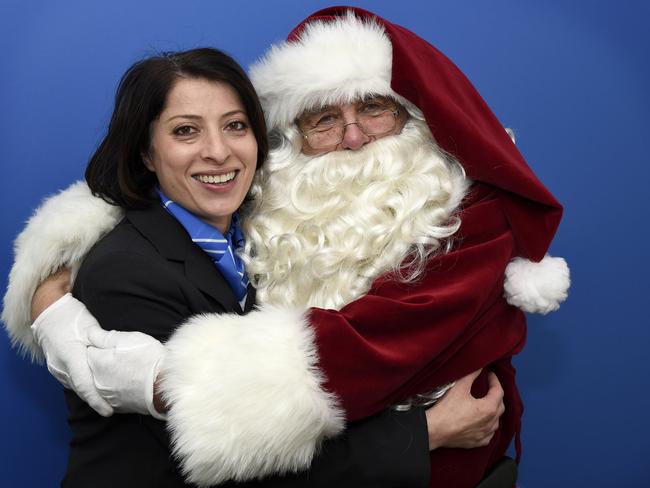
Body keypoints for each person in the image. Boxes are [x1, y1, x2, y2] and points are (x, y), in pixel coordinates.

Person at [2, 7, 570, 488]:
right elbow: (219, 448)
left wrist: (135, 369)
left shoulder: (461, 225)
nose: (352, 138)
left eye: (374, 108)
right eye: (324, 118)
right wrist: (428, 432)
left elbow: (373, 343)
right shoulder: (132, 267)